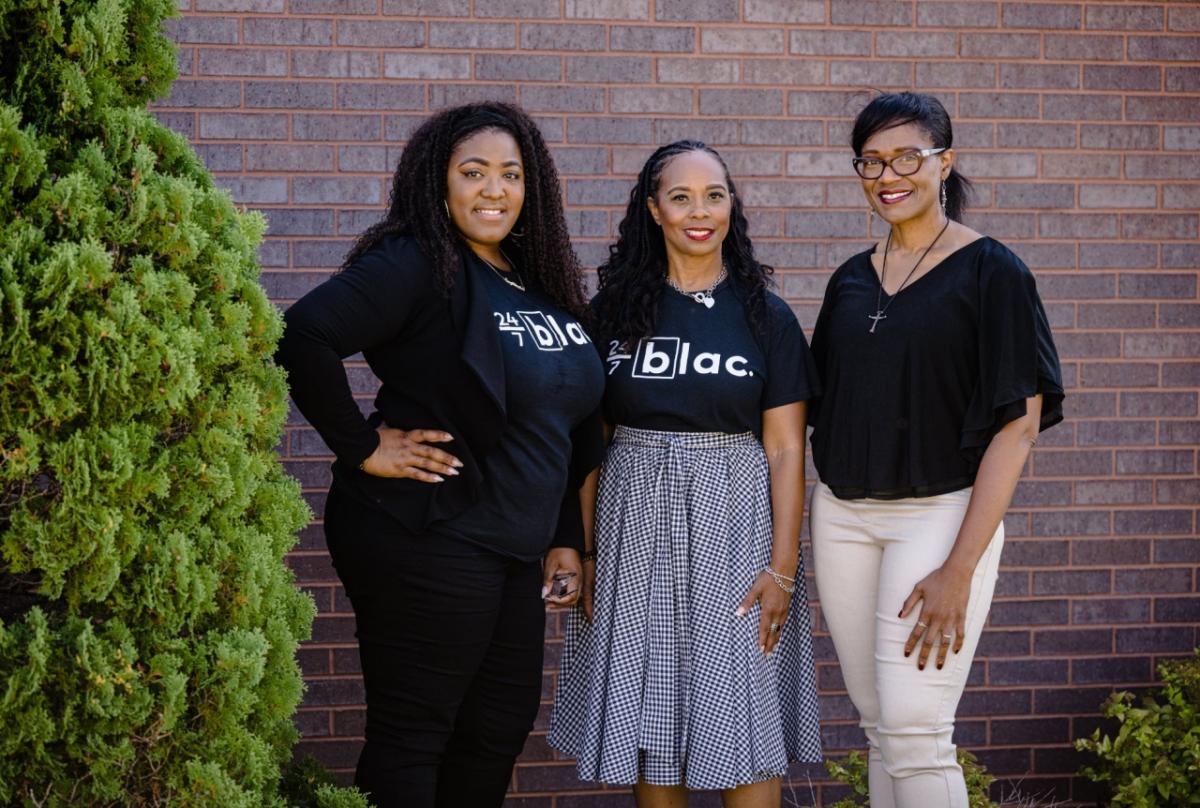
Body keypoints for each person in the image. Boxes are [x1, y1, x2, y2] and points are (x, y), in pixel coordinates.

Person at [274, 101, 605, 808]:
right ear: (439, 182)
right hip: (427, 529)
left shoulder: (537, 279)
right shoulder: (418, 261)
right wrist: (362, 447)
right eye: (474, 172)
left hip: (513, 549)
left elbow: (569, 427)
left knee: (496, 730)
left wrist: (565, 540)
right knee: (416, 734)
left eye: (511, 174)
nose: (494, 189)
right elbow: (304, 335)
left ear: (532, 187)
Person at [808, 91, 1064, 808]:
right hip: (843, 518)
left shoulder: (994, 272)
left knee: (919, 731)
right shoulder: (851, 279)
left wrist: (960, 566)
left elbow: (1017, 426)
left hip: (938, 517)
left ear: (944, 162)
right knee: (882, 730)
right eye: (872, 160)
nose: (889, 174)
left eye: (908, 157)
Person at [549, 140, 823, 807]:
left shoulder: (766, 316)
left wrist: (783, 566)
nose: (700, 212)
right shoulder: (612, 313)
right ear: (653, 210)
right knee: (655, 713)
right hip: (632, 526)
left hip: (735, 527)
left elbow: (786, 449)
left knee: (743, 707)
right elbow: (591, 440)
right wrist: (584, 551)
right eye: (681, 197)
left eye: (715, 195)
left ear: (733, 206)